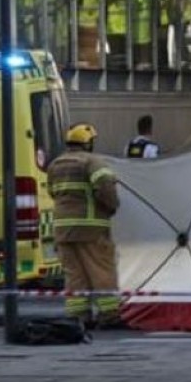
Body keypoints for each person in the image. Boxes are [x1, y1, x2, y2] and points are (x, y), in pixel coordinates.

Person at [49, 123, 126, 329]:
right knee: (101, 272)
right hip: (91, 229)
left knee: (75, 276)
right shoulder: (93, 162)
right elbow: (106, 189)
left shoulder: (55, 164)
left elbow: (53, 192)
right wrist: (112, 207)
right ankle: (109, 315)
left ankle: (78, 316)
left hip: (63, 230)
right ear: (89, 143)